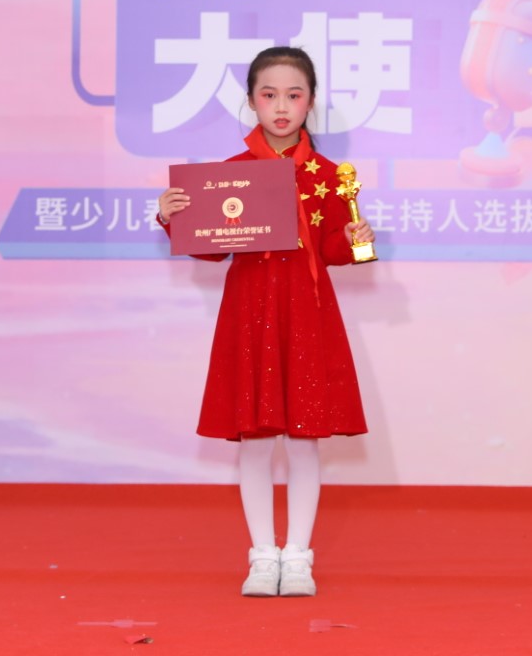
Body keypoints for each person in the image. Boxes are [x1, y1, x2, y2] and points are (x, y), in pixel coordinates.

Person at [158, 46, 374, 597]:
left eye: (293, 95)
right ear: (251, 101)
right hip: (250, 314)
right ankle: (261, 555)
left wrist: (357, 240)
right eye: (269, 94)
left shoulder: (331, 176)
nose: (281, 106)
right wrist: (172, 216)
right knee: (254, 441)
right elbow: (210, 250)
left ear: (311, 102)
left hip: (307, 315)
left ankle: (297, 555)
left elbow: (333, 250)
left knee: (304, 441)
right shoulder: (229, 175)